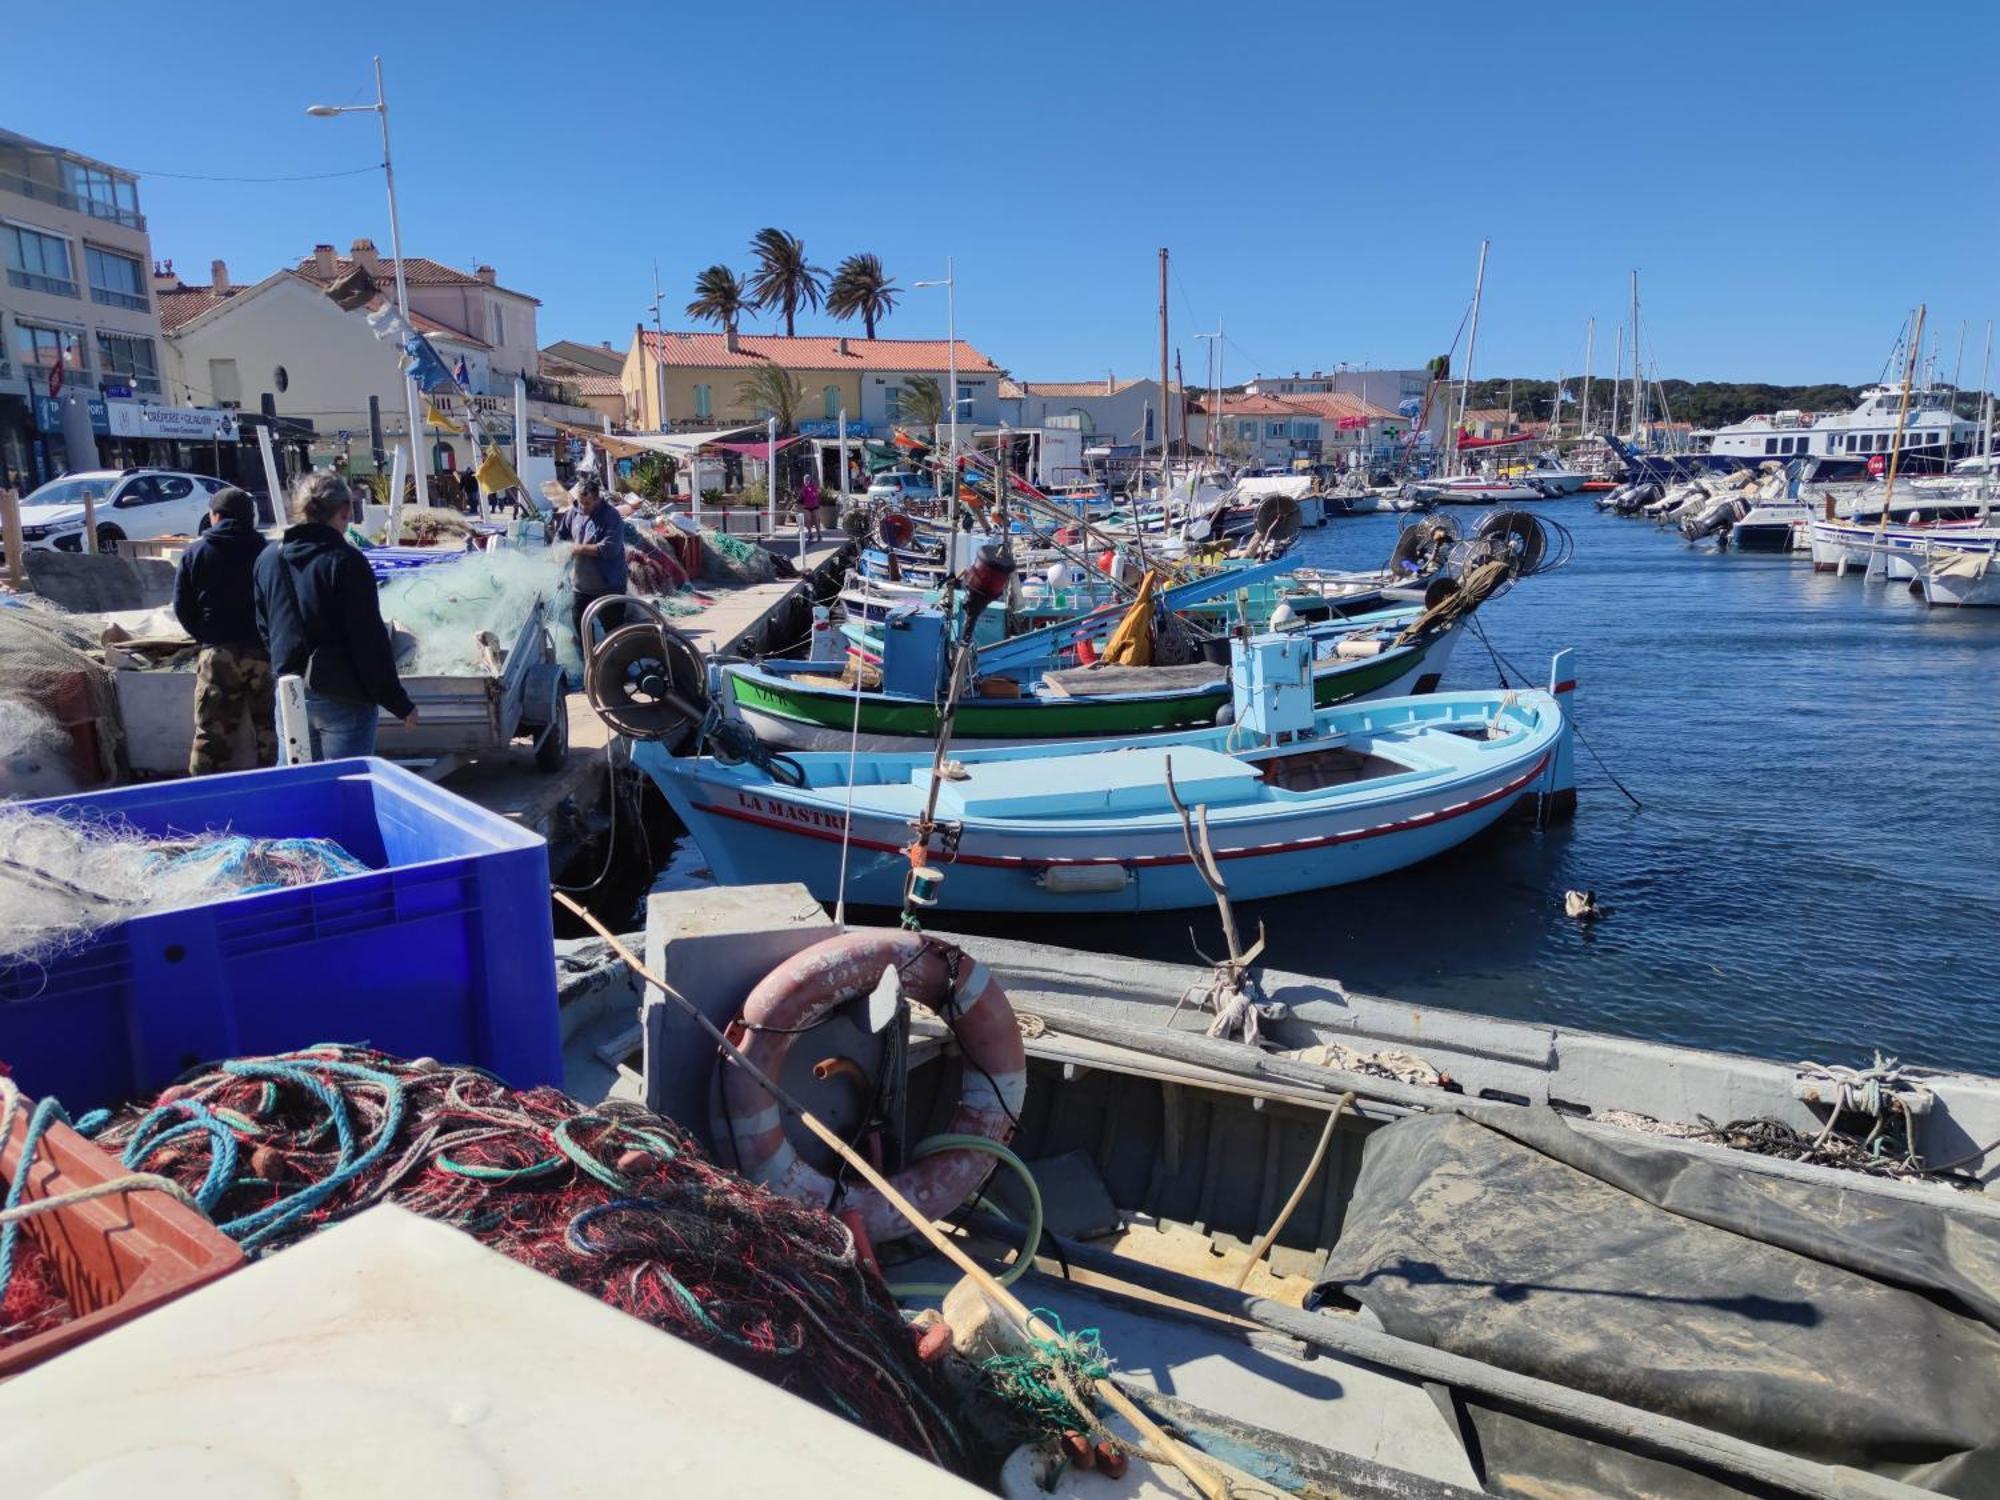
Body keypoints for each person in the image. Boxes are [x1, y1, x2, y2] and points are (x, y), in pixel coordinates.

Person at [255, 472, 417, 760]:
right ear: (343, 511)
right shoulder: (346, 562)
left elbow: (264, 625)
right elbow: (368, 641)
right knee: (346, 787)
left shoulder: (268, 559)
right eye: (346, 518)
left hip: (289, 691)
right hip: (344, 695)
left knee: (299, 788)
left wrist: (287, 661)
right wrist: (398, 702)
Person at [173, 486, 276, 775]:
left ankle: (206, 796)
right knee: (273, 729)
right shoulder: (268, 553)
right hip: (265, 653)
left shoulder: (195, 552)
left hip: (217, 654)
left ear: (215, 516)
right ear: (251, 518)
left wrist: (206, 636)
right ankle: (278, 787)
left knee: (210, 735)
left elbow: (182, 606)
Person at [554, 473, 626, 653]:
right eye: (580, 502)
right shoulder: (573, 513)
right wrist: (558, 549)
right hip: (581, 587)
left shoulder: (611, 516)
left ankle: (617, 666)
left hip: (609, 586)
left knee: (614, 633)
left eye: (587, 503)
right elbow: (561, 535)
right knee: (581, 628)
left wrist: (577, 549)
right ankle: (591, 662)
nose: (583, 507)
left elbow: (609, 549)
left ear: (597, 499)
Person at [799, 468, 823, 543]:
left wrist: (814, 489)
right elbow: (802, 496)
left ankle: (819, 534)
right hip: (807, 506)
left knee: (816, 520)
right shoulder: (804, 487)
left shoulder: (814, 486)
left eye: (807, 480)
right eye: (805, 480)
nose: (806, 481)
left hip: (815, 505)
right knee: (807, 520)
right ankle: (810, 534)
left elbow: (818, 493)